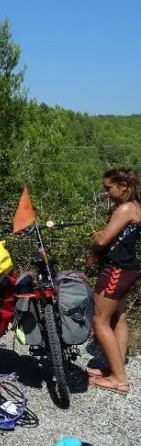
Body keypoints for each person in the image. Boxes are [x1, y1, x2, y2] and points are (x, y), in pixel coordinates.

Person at [87, 168, 141, 395]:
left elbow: (103, 239)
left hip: (115, 270)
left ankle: (119, 380)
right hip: (127, 269)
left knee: (99, 320)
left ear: (123, 187)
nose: (106, 192)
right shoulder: (136, 207)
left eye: (108, 188)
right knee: (118, 317)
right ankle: (116, 369)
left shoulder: (126, 208)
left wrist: (95, 239)